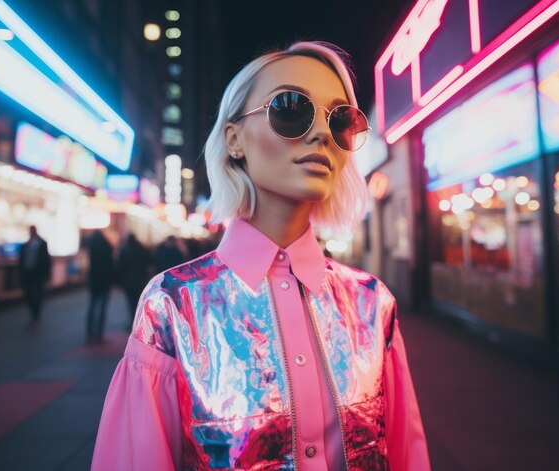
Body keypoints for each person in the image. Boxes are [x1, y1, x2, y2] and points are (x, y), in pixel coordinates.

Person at [93, 41, 430, 470]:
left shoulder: (373, 303)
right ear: (234, 139)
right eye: (291, 107)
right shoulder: (172, 306)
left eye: (341, 119)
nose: (323, 134)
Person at [18, 225, 51, 330]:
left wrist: (46, 276)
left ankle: (36, 317)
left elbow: (47, 261)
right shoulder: (26, 245)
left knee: (37, 296)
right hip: (28, 274)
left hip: (38, 275)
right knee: (29, 296)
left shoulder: (41, 244)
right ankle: (34, 317)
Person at [116, 233, 153, 326]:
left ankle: (133, 323)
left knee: (131, 304)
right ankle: (140, 323)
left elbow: (119, 268)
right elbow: (150, 260)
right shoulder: (141, 249)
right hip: (141, 281)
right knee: (139, 303)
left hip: (128, 283)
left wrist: (119, 283)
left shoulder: (124, 251)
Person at [85, 230, 114, 343]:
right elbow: (111, 266)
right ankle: (99, 334)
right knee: (102, 308)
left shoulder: (91, 247)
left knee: (92, 307)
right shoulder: (107, 247)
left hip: (94, 282)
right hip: (105, 282)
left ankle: (89, 333)